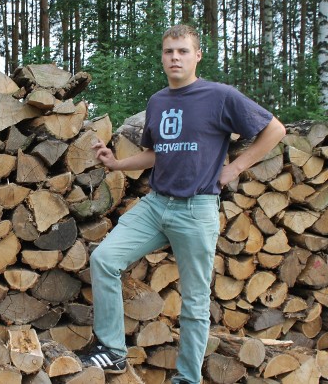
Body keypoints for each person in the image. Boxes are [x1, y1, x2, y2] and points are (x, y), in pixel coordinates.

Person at [82, 24, 286, 383]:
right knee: (104, 259)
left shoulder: (220, 96)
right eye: (168, 51)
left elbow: (275, 130)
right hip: (156, 205)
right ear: (162, 56)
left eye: (182, 51)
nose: (175, 57)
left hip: (197, 208)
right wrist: (115, 164)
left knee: (193, 302)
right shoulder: (158, 101)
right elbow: (155, 154)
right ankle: (113, 351)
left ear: (197, 55)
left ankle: (187, 379)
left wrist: (235, 167)